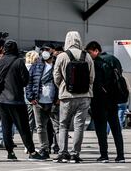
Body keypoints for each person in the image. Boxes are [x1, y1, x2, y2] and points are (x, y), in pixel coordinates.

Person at [0, 39, 43, 161]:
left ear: (4, 49)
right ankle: (31, 151)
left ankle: (10, 152)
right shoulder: (19, 62)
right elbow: (25, 80)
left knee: (6, 126)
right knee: (23, 127)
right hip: (16, 99)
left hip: (2, 100)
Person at [53, 31, 95, 163]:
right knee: (79, 125)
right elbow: (92, 77)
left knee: (63, 124)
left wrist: (62, 87)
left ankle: (62, 153)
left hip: (67, 95)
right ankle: (75, 154)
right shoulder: (87, 56)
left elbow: (56, 76)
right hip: (84, 96)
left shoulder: (62, 56)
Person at [85, 41, 125, 163]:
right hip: (114, 99)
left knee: (101, 129)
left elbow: (95, 83)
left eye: (90, 52)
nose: (89, 55)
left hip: (99, 100)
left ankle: (104, 155)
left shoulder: (96, 63)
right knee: (116, 128)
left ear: (96, 50)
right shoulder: (114, 59)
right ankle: (120, 156)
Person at [26, 49, 58, 159]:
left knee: (58, 127)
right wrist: (31, 97)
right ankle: (44, 149)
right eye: (44, 50)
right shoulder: (36, 66)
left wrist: (58, 98)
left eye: (48, 50)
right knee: (40, 126)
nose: (45, 52)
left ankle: (61, 149)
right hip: (39, 100)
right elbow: (29, 81)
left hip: (53, 101)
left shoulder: (57, 64)